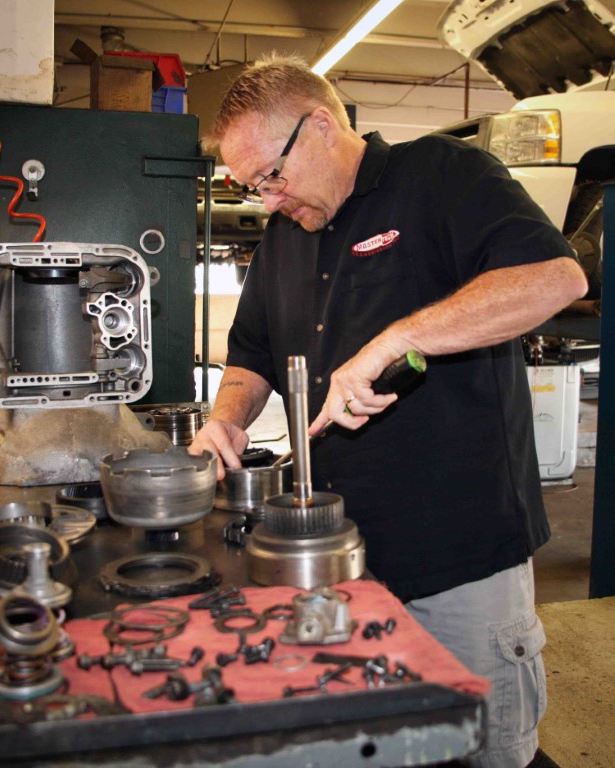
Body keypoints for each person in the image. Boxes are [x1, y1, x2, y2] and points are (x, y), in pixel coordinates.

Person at [188, 54, 588, 768]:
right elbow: (250, 353)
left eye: (270, 177)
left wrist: (398, 338)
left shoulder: (441, 174)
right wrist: (227, 416)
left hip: (458, 555)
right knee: (382, 743)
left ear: (318, 125)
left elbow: (554, 278)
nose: (267, 201)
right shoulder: (282, 237)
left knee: (486, 746)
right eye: (249, 187)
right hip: (338, 557)